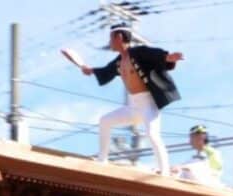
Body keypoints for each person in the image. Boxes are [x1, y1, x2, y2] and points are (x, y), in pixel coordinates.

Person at [74, 23, 183, 176]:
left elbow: (156, 55)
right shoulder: (119, 61)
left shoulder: (139, 53)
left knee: (153, 134)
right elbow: (106, 71)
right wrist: (89, 70)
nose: (109, 42)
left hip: (148, 105)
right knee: (105, 121)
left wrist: (170, 57)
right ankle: (102, 159)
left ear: (118, 37)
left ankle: (164, 172)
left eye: (111, 38)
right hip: (132, 107)